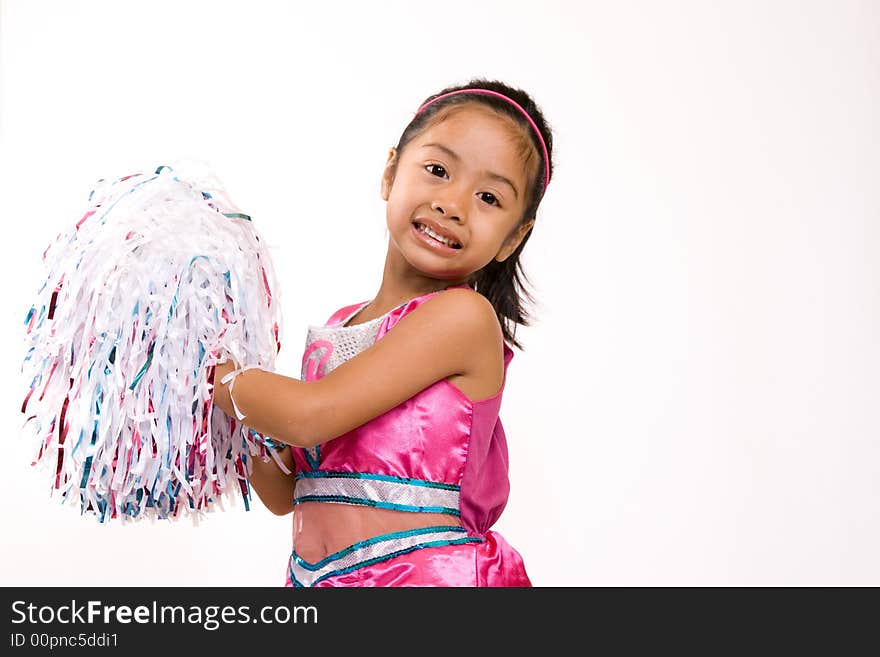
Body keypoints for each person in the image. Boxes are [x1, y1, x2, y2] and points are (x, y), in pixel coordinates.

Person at [211, 78, 554, 587]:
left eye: (488, 197)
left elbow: (309, 415)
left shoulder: (463, 318)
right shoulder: (341, 325)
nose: (453, 204)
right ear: (391, 173)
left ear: (514, 237)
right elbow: (286, 493)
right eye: (437, 170)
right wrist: (209, 368)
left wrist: (217, 376)